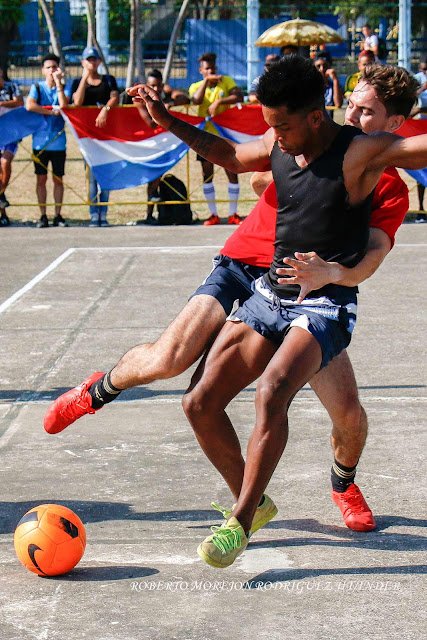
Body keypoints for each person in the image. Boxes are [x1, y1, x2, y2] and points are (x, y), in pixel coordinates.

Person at [43, 63, 417, 551]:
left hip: (312, 289)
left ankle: (343, 482)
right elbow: (252, 170)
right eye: (351, 103)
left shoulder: (381, 178)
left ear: (395, 124)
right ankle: (100, 390)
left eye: (367, 112)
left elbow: (372, 253)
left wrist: (334, 272)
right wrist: (175, 123)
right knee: (170, 360)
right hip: (248, 264)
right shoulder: (295, 140)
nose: (353, 114)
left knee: (347, 414)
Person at [188, 52, 244, 226]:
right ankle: (213, 214)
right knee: (207, 174)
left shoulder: (226, 82)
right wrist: (206, 81)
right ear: (201, 70)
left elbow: (238, 96)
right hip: (205, 137)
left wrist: (220, 102)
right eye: (207, 68)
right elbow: (196, 101)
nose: (211, 70)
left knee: (232, 172)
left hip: (226, 136)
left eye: (212, 67)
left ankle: (233, 214)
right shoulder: (196, 86)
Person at [128, 69, 189, 224]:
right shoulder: (140, 98)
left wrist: (172, 102)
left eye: (158, 86)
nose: (155, 90)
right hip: (146, 143)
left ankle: (159, 212)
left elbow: (185, 98)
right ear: (146, 85)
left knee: (158, 178)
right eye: (152, 86)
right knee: (152, 178)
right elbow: (151, 123)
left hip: (164, 142)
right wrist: (163, 111)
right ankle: (149, 214)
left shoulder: (164, 90)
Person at [71, 46, 120, 227]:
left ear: (99, 61)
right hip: (87, 136)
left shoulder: (108, 80)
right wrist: (85, 77)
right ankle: (94, 214)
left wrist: (105, 110)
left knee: (105, 174)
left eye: (94, 59)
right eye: (88, 60)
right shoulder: (78, 82)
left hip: (106, 135)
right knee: (91, 176)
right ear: (83, 62)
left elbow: (115, 97)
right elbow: (77, 102)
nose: (92, 63)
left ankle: (104, 213)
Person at [26, 54, 70, 228]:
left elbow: (64, 105)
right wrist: (51, 112)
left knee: (58, 179)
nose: (52, 70)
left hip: (59, 142)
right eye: (49, 67)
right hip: (40, 142)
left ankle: (58, 215)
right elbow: (30, 105)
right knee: (41, 179)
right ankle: (43, 214)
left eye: (55, 67)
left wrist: (59, 84)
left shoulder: (64, 87)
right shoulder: (37, 87)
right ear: (43, 70)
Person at [0, 65, 24, 226]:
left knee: (5, 162)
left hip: (10, 134)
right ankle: (3, 212)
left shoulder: (11, 86)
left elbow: (19, 102)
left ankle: (1, 194)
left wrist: (2, 104)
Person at [412, 59, 427, 222]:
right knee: (421, 169)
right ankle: (421, 210)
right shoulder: (417, 80)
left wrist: (420, 109)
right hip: (421, 128)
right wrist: (423, 87)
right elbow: (410, 102)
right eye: (424, 70)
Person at [314, 53, 343, 118]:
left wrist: (335, 80)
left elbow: (338, 104)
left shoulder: (333, 86)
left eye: (325, 66)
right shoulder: (311, 86)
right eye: (318, 66)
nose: (322, 69)